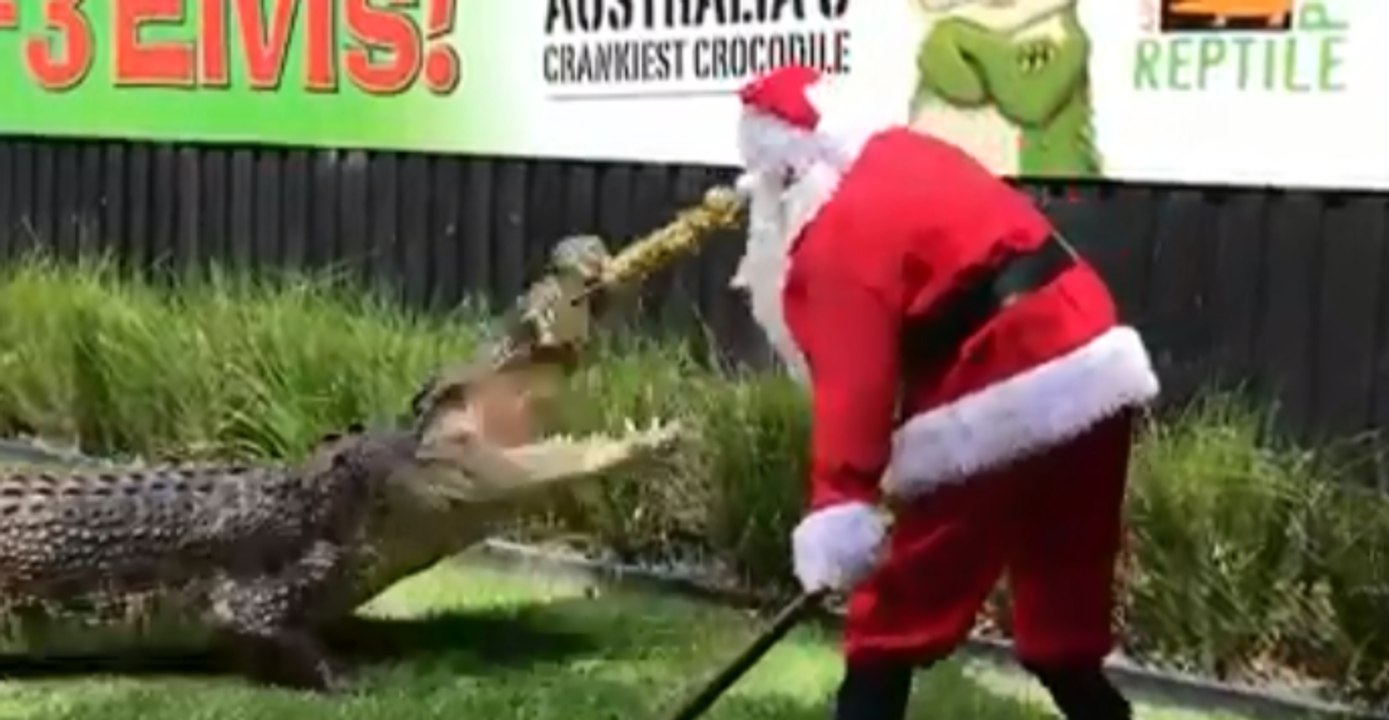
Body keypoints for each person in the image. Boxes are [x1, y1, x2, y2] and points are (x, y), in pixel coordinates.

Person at [726, 63, 1161, 720]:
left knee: (893, 612)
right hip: (1091, 353)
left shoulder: (833, 237)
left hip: (1002, 377)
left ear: (786, 173)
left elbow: (856, 389)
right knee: (1059, 599)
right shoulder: (905, 155)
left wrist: (841, 505)